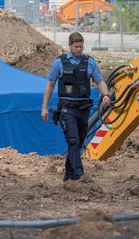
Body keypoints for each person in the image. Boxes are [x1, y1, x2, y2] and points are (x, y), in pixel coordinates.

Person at [41, 32, 110, 182]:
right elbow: (50, 85)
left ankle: (68, 176)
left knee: (78, 142)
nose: (79, 49)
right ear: (70, 46)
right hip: (66, 109)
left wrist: (105, 95)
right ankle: (79, 175)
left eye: (81, 47)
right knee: (73, 140)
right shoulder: (59, 63)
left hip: (83, 109)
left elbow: (100, 81)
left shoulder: (89, 63)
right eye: (76, 47)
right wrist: (44, 107)